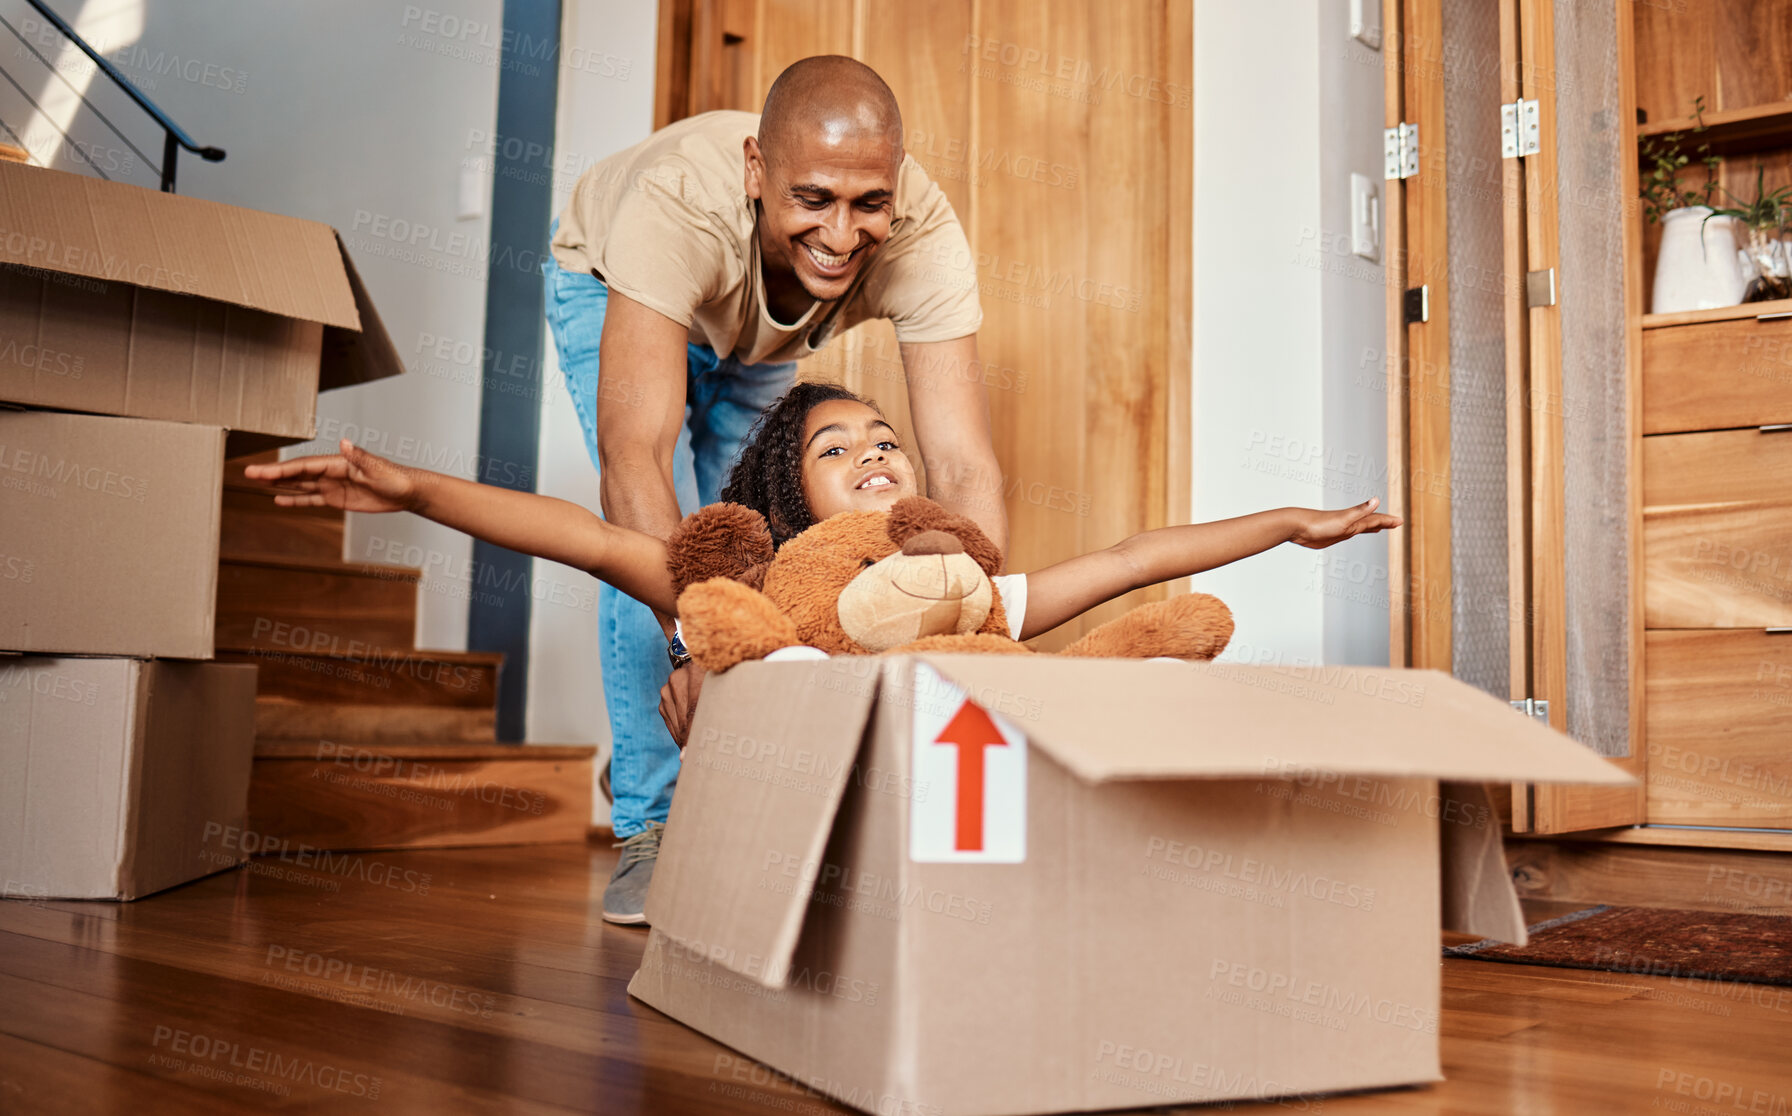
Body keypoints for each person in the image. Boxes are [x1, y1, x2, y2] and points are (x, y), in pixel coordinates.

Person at [246, 387, 1401, 904]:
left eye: (885, 439)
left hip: (961, 849)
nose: (873, 453)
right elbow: (585, 539)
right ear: (785, 496)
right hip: (806, 853)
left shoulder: (967, 594)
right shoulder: (750, 585)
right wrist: (409, 488)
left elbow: (1137, 558)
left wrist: (1287, 526)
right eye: (836, 448)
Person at [543, 55, 1005, 923]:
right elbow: (633, 459)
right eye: (813, 200)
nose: (841, 234)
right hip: (613, 282)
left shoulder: (924, 234)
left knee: (758, 539)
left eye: (869, 203)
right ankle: (651, 823)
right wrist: (699, 656)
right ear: (757, 172)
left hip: (762, 338)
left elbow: (965, 464)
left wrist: (975, 628)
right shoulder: (677, 203)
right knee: (674, 545)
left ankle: (684, 760)